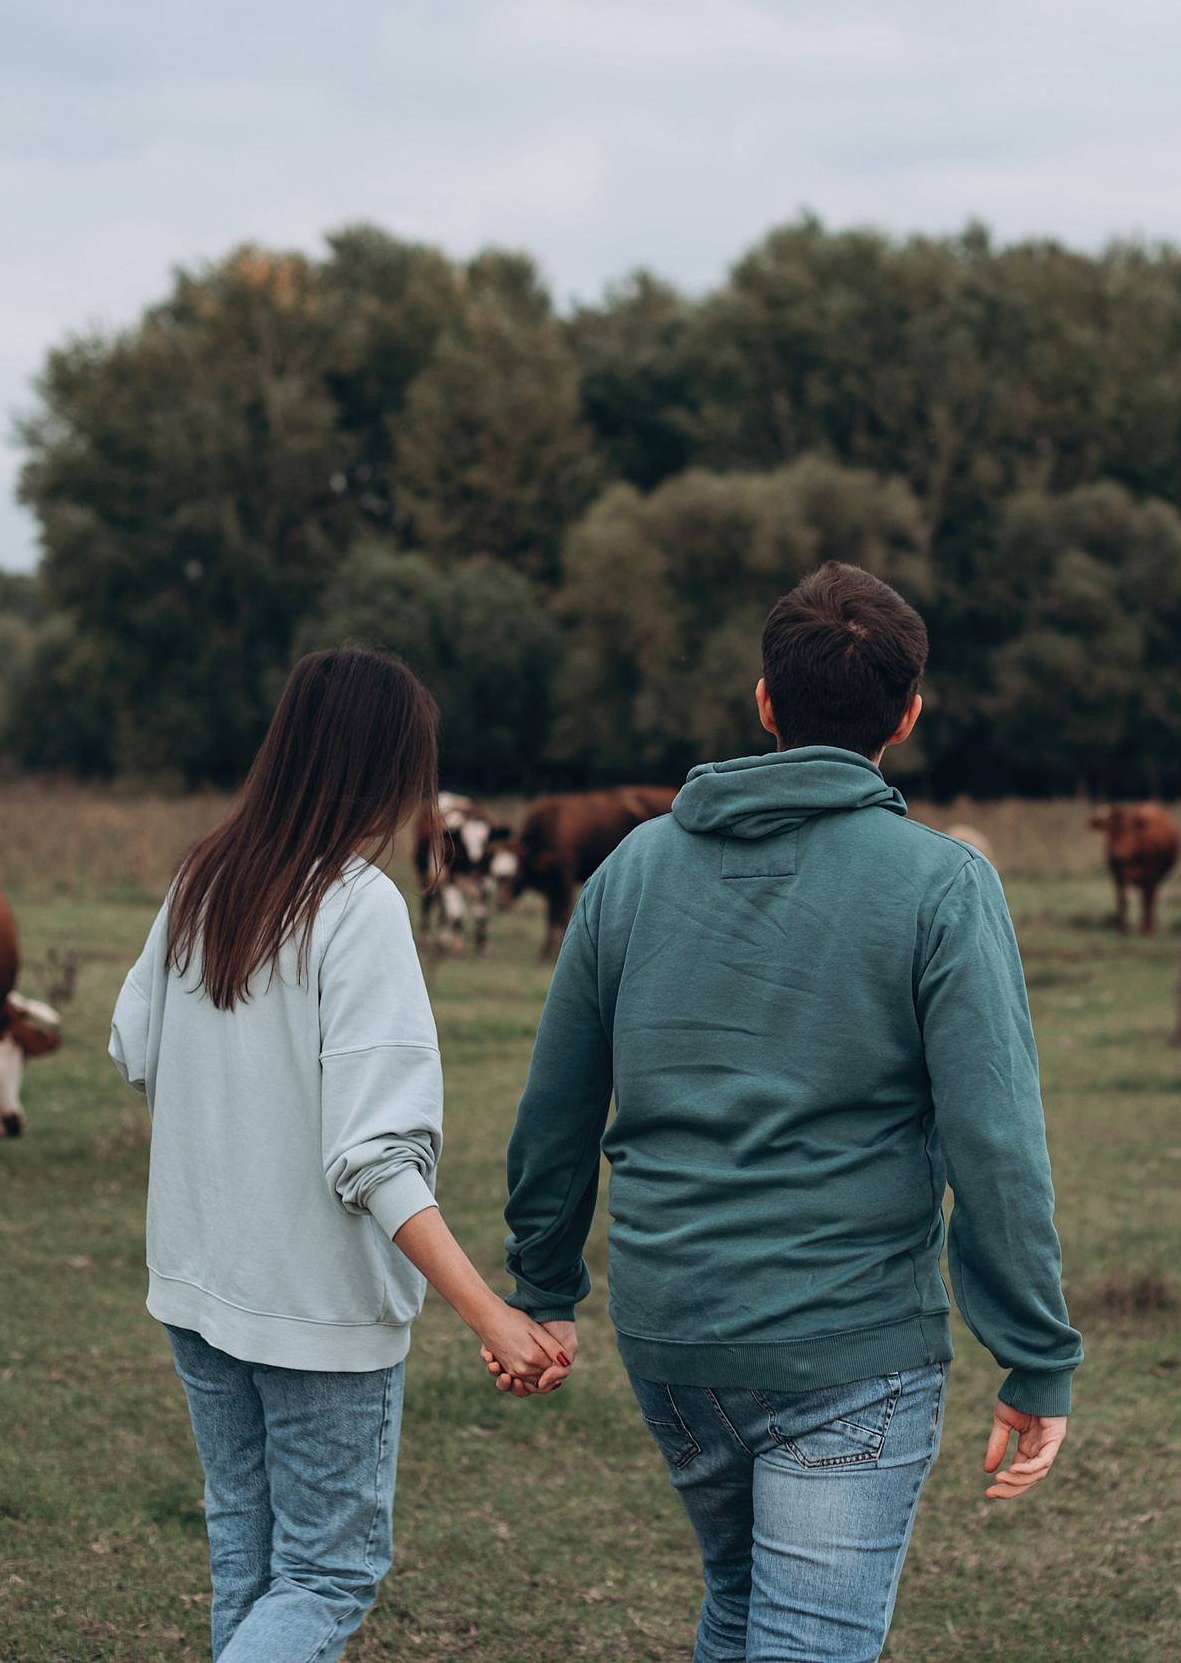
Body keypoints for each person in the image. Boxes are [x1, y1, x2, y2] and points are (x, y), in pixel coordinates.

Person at [498, 562, 1082, 1663]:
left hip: (673, 1332)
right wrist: (1035, 1352)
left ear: (764, 701)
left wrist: (545, 1281)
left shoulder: (629, 869)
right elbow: (994, 1141)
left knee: (739, 1601)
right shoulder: (944, 882)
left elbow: (556, 1104)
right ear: (907, 714)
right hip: (850, 1342)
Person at [110, 647, 569, 1663]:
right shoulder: (358, 906)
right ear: (389, 770)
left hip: (198, 1285)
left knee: (250, 1548)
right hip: (314, 1309)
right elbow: (375, 1155)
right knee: (326, 1572)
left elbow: (132, 1044)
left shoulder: (202, 874)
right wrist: (491, 1311)